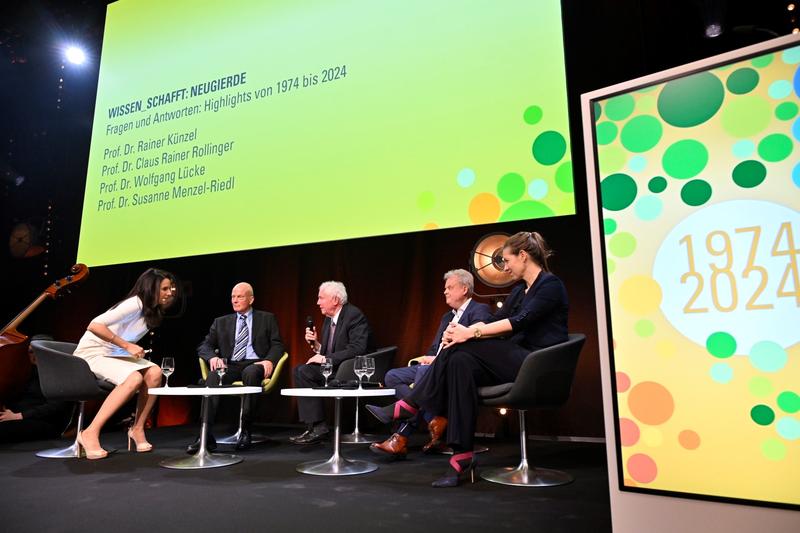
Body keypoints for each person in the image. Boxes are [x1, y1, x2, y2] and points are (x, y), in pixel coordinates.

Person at [367, 231, 568, 487]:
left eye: (507, 261)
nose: (505, 268)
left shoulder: (550, 285)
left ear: (524, 256)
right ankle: (461, 455)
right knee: (460, 361)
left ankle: (409, 405)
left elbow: (520, 322)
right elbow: (495, 321)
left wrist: (469, 332)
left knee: (460, 346)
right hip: (514, 360)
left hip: (537, 362)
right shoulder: (519, 291)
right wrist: (459, 334)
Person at [370, 269, 491, 459]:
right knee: (392, 376)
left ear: (465, 289)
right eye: (445, 288)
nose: (445, 291)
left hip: (457, 368)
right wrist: (428, 357)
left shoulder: (479, 310)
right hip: (435, 365)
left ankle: (401, 436)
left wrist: (434, 361)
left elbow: (476, 346)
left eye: (450, 287)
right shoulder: (446, 317)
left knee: (423, 372)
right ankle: (433, 419)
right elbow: (435, 348)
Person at [72, 268, 179, 459]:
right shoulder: (135, 303)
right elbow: (94, 325)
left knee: (155, 372)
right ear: (151, 288)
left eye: (170, 288)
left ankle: (137, 429)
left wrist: (126, 349)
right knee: (134, 378)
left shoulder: (152, 311)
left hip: (114, 354)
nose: (170, 292)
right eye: (164, 288)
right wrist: (126, 345)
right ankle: (89, 432)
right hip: (93, 353)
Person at [189, 282, 285, 452]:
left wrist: (269, 360)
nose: (235, 300)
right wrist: (212, 357)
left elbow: (277, 345)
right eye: (233, 297)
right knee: (212, 376)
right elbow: (204, 346)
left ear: (251, 299)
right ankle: (205, 434)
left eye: (240, 296)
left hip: (256, 363)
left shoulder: (267, 318)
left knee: (251, 372)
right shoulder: (220, 322)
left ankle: (246, 430)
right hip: (230, 364)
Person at [290, 281, 374, 444]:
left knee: (303, 371)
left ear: (335, 300)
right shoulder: (329, 319)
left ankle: (318, 428)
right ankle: (316, 427)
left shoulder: (354, 315)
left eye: (321, 298)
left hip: (350, 370)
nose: (317, 302)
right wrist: (317, 346)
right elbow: (330, 352)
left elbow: (358, 348)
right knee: (301, 370)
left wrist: (326, 359)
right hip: (334, 367)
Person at [0, 335, 71, 443]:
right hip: (23, 417)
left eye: (37, 351)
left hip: (46, 422)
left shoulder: (60, 373)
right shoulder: (31, 372)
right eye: (30, 352)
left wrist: (19, 416)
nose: (33, 356)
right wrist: (9, 411)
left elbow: (56, 407)